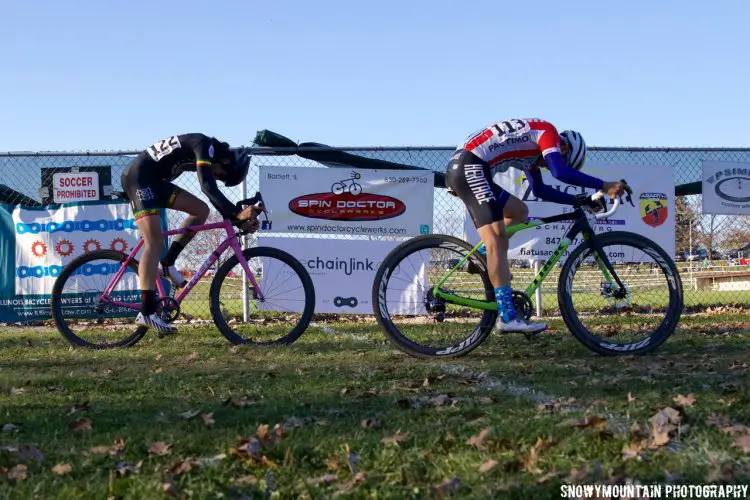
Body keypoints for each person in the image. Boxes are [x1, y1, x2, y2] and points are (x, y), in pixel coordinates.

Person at [445, 118, 629, 333]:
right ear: (563, 147)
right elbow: (561, 172)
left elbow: (540, 190)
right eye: (559, 159)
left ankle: (483, 257)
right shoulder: (547, 132)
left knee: (519, 211)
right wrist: (605, 185)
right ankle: (507, 318)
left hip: (471, 165)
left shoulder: (531, 148)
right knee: (497, 240)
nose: (546, 166)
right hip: (471, 166)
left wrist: (580, 200)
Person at [120, 133, 259, 334]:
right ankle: (147, 312)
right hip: (139, 179)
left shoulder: (208, 151)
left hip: (155, 181)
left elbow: (210, 189)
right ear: (225, 161)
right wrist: (235, 213)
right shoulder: (203, 145)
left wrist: (234, 215)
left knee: (201, 211)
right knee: (154, 243)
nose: (217, 177)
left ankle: (168, 263)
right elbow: (207, 186)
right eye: (221, 175)